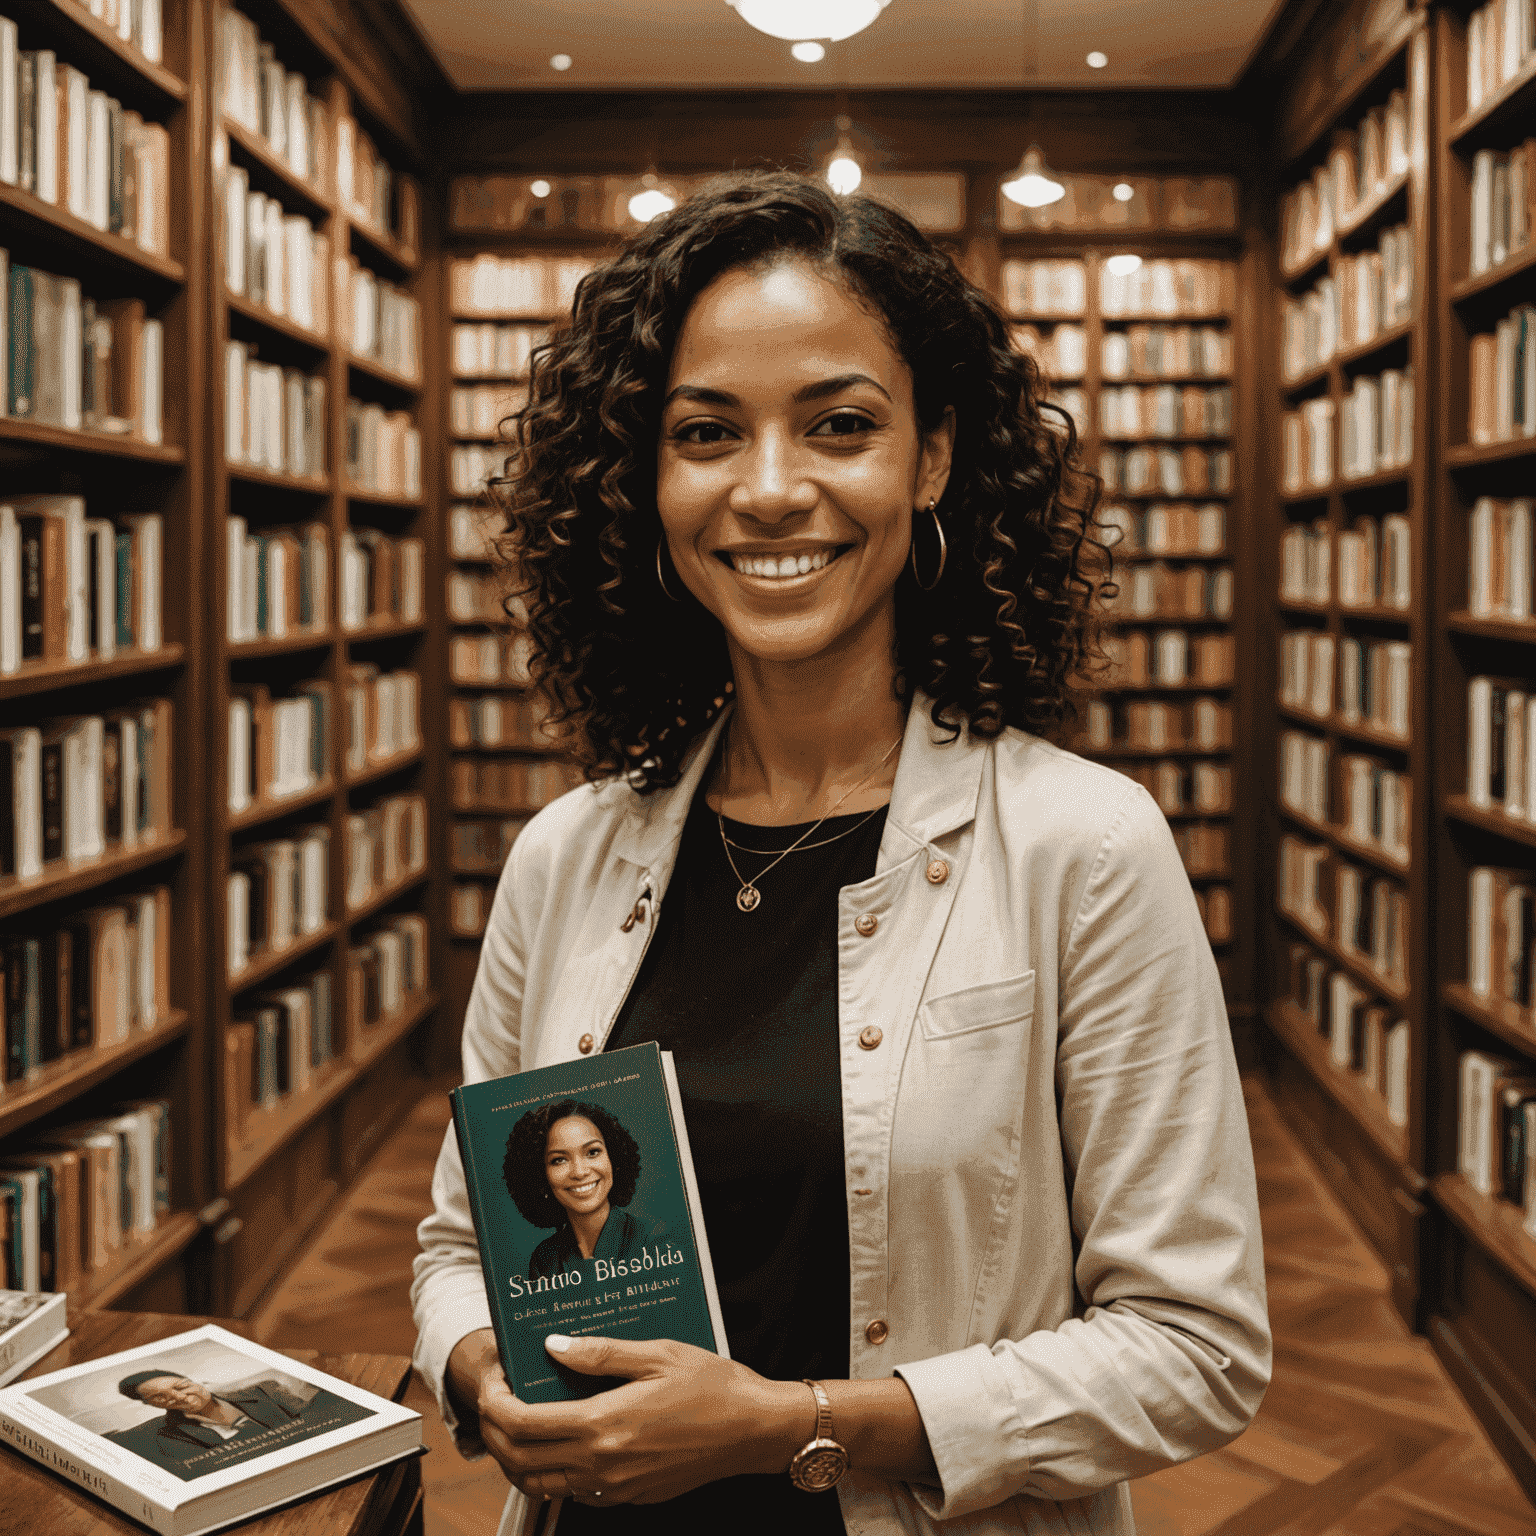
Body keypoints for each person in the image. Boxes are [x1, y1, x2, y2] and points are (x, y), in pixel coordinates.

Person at [412, 169, 1271, 1536]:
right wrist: (478, 1376)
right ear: (646, 476)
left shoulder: (1087, 849)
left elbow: (1195, 1352)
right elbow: (464, 1243)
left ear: (929, 458)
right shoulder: (564, 855)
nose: (768, 490)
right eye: (706, 432)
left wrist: (794, 1428)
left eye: (839, 426)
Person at [504, 1100, 665, 1280]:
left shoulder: (654, 1239)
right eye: (559, 1160)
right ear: (541, 1174)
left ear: (614, 1158)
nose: (579, 1172)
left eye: (592, 1152)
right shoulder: (544, 1260)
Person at [107, 1369, 364, 1470]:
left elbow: (318, 1418)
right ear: (150, 1404)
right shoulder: (167, 1436)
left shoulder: (265, 1389)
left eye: (181, 1386)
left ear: (194, 1380)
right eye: (160, 1398)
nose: (177, 1397)